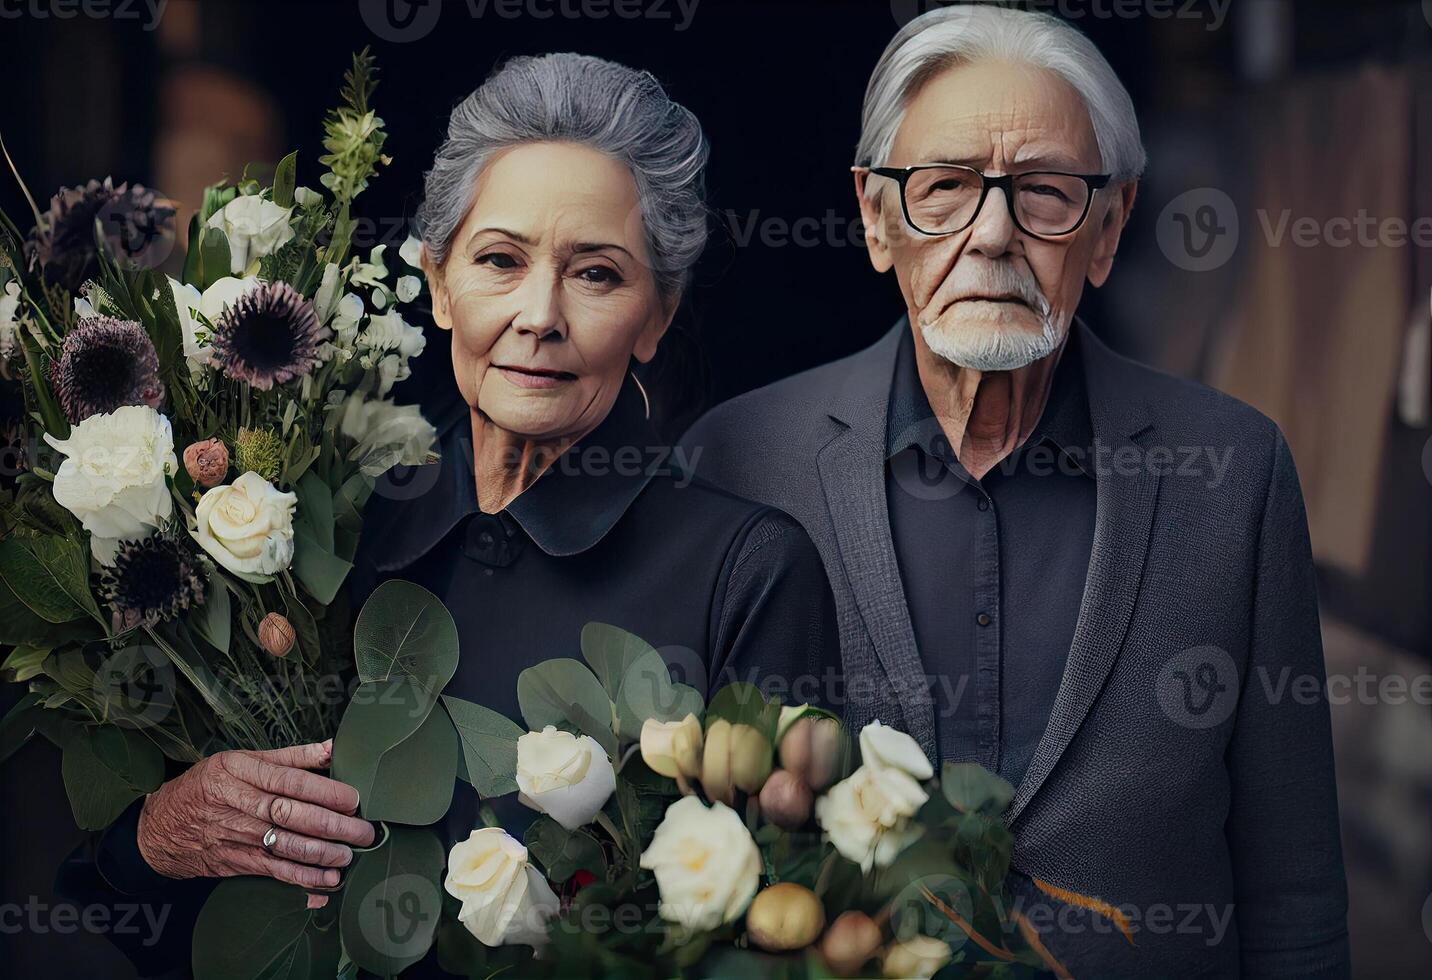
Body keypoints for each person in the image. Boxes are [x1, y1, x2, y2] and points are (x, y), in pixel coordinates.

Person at [83, 53, 840, 975]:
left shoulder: (748, 570)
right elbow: (109, 905)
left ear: (656, 316)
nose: (539, 315)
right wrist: (158, 837)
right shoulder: (306, 534)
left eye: (596, 274)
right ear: (440, 284)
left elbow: (776, 941)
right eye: (499, 260)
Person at [680, 7, 1348, 977]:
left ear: (1110, 228)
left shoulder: (1233, 472)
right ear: (874, 218)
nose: (992, 235)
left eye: (1044, 193)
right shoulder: (737, 460)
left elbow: (1294, 895)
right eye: (944, 188)